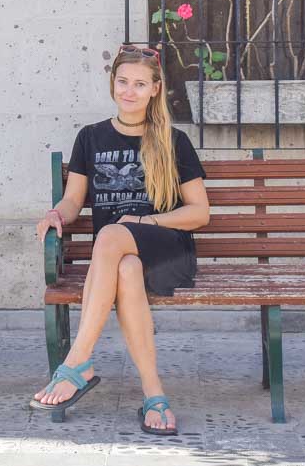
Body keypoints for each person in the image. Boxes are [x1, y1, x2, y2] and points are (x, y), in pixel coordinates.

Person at [29, 44, 210, 435]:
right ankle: (154, 394)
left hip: (165, 250)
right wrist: (57, 214)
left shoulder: (173, 141)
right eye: (123, 81)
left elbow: (199, 212)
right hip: (115, 260)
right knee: (124, 264)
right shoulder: (90, 137)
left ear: (155, 89)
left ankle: (78, 361)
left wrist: (146, 219)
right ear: (113, 83)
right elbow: (75, 199)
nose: (129, 91)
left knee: (111, 234)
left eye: (140, 84)